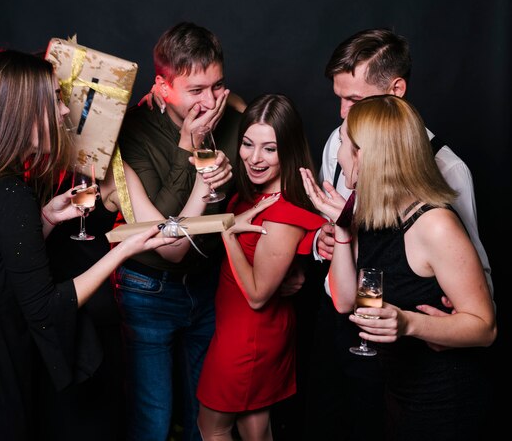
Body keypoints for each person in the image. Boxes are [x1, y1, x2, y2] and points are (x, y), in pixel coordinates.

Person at [0, 49, 182, 440]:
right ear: (23, 112)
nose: (64, 112)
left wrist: (44, 218)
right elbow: (46, 307)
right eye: (55, 101)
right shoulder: (10, 195)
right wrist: (124, 251)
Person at [304, 27, 494, 441]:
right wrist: (339, 233)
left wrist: (426, 325)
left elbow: (482, 317)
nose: (340, 127)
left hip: (440, 392)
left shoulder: (440, 200)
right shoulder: (369, 198)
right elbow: (345, 296)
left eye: (354, 103)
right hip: (394, 380)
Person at [34, 153, 232, 440]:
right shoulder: (29, 162)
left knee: (103, 422)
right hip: (42, 314)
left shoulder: (112, 167)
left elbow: (172, 248)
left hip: (97, 316)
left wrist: (203, 184)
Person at [113, 21, 244, 441]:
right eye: (196, 91)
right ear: (163, 87)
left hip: (207, 287)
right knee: (153, 418)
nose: (209, 102)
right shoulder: (131, 133)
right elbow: (163, 237)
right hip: (149, 288)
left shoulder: (225, 110)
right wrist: (186, 147)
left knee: (203, 416)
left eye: (217, 86)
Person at [195, 93, 326, 440]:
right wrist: (231, 103)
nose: (254, 158)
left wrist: (226, 231)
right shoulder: (258, 193)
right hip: (243, 329)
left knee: (212, 428)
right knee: (254, 428)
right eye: (248, 144)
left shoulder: (281, 214)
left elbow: (256, 295)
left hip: (248, 336)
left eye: (269, 149)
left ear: (289, 148)